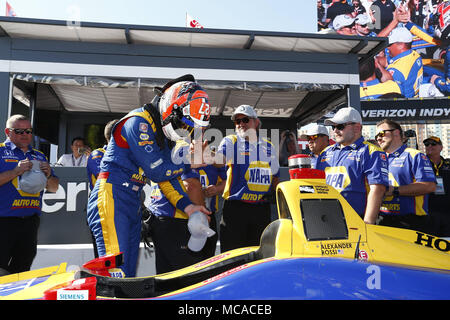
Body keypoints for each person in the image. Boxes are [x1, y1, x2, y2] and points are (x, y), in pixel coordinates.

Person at [87, 75, 211, 277]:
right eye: (185, 123)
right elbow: (157, 171)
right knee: (115, 271)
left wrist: (189, 207)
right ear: (171, 108)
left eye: (191, 128)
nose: (186, 130)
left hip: (131, 201)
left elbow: (167, 179)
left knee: (128, 271)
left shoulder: (161, 132)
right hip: (111, 197)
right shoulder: (138, 122)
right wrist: (189, 160)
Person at [211, 105, 280, 252]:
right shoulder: (231, 141)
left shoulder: (269, 146)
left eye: (245, 120)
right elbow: (219, 160)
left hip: (261, 210)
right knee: (232, 256)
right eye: (237, 121)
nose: (241, 124)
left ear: (256, 122)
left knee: (260, 256)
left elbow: (275, 178)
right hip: (236, 210)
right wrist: (205, 154)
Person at [0, 114, 59, 274]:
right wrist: (15, 171)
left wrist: (48, 176)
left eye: (28, 131)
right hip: (3, 220)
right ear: (8, 132)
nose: (25, 135)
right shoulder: (0, 152)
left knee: (21, 270)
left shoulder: (39, 155)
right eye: (19, 131)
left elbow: (54, 188)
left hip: (30, 222)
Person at [316, 107, 389, 224]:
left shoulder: (371, 152)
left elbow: (378, 189)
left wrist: (368, 224)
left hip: (356, 220)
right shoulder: (325, 152)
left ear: (357, 128)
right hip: (326, 219)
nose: (335, 131)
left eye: (340, 126)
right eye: (333, 127)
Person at [375, 119, 436, 232]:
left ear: (396, 133)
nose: (378, 138)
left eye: (382, 133)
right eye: (376, 136)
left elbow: (429, 186)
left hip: (411, 222)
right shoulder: (378, 159)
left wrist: (394, 190)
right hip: (382, 219)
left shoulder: (415, 155)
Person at [86, 119, 119, 258]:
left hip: (121, 211)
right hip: (102, 212)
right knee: (105, 259)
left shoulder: (129, 156)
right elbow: (110, 177)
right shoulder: (97, 154)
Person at [381, 27, 424, 98]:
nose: (387, 48)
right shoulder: (414, 55)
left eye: (389, 45)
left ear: (401, 45)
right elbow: (386, 61)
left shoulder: (397, 72)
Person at [423, 136, 450, 236]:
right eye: (427, 144)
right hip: (427, 212)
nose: (430, 146)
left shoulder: (448, 164)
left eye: (433, 144)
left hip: (447, 212)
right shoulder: (421, 164)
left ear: (441, 147)